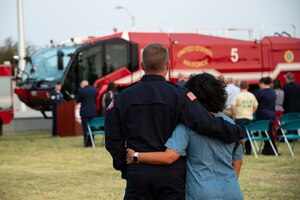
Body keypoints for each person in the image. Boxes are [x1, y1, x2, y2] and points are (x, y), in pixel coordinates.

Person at [105, 43, 244, 200]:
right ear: (167, 65)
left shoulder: (121, 98)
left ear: (142, 65)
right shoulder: (180, 96)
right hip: (172, 176)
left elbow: (112, 141)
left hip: (138, 172)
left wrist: (126, 167)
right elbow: (206, 123)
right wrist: (238, 131)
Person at [126, 73, 243, 200]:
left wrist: (136, 156)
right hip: (232, 190)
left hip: (200, 191)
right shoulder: (232, 125)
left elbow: (169, 157)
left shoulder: (188, 125)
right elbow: (237, 161)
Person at [231, 81, 258, 155]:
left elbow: (232, 106)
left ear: (240, 87)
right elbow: (256, 106)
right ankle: (248, 151)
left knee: (240, 135)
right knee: (249, 134)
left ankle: (240, 151)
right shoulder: (252, 95)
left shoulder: (238, 95)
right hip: (249, 117)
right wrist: (251, 112)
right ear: (248, 87)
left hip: (239, 117)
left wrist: (234, 114)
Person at [255, 77, 278, 155]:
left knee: (266, 134)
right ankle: (268, 149)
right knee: (269, 133)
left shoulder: (260, 93)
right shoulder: (273, 92)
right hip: (272, 114)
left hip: (263, 115)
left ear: (262, 83)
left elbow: (255, 103)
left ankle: (270, 150)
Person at [76, 80, 97, 147]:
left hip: (85, 112)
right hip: (93, 112)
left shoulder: (81, 90)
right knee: (92, 128)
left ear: (82, 84)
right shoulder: (94, 90)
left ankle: (87, 143)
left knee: (85, 128)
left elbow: (77, 100)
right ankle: (92, 142)